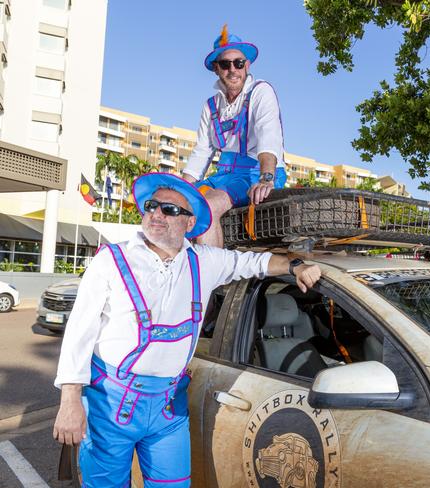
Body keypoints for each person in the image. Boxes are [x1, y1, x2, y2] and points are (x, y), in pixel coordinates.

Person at [52, 173, 321, 487]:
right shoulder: (111, 260)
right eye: (152, 206)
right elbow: (79, 332)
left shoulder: (204, 262)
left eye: (169, 210)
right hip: (108, 405)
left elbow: (254, 263)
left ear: (190, 223)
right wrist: (70, 401)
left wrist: (295, 266)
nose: (156, 214)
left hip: (168, 409)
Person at [183, 25, 285, 247]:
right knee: (181, 207)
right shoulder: (211, 106)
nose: (233, 69)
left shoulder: (260, 91)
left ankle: (212, 279)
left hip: (255, 172)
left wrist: (266, 178)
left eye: (238, 63)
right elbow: (202, 151)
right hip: (224, 175)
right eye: (225, 64)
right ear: (216, 69)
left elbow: (269, 136)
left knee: (207, 207)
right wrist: (181, 189)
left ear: (247, 65)